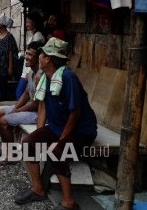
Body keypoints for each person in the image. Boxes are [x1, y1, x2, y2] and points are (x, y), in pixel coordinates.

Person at [14, 37, 97, 210]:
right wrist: (38, 133)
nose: (39, 56)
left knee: (57, 151)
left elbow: (75, 113)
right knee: (29, 143)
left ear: (48, 58)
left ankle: (69, 203)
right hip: (57, 127)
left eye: (42, 54)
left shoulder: (68, 77)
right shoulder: (44, 78)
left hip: (80, 130)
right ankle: (38, 190)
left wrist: (61, 140)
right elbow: (42, 106)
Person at [0, 41, 44, 165]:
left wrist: (18, 111)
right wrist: (16, 107)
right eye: (26, 53)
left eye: (30, 55)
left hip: (39, 113)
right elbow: (26, 94)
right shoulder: (31, 72)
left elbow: (36, 104)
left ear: (38, 58)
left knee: (4, 120)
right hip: (31, 108)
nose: (26, 57)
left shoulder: (40, 76)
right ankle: (7, 148)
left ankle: (11, 156)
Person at [0, 13, 18, 102]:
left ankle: (2, 105)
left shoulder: (9, 37)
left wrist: (10, 67)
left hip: (4, 66)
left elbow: (10, 52)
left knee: (3, 87)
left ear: (1, 25)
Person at [15, 11, 45, 100]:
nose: (26, 24)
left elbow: (35, 57)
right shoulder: (33, 35)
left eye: (28, 22)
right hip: (27, 71)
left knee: (20, 95)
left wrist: (28, 74)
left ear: (34, 23)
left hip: (28, 72)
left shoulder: (38, 37)